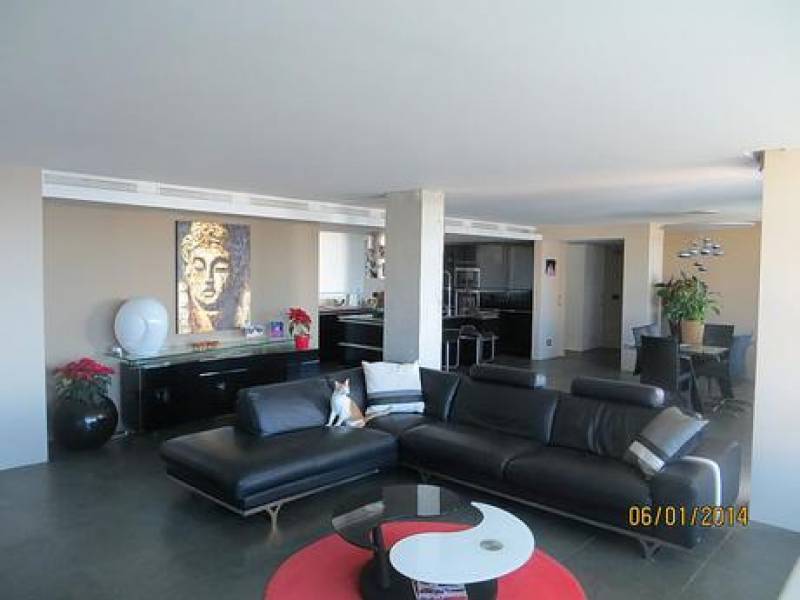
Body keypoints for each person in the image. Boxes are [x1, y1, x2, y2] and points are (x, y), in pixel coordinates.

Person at [177, 221, 250, 333]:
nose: (208, 278)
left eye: (220, 268)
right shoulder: (180, 311)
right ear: (188, 271)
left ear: (233, 273)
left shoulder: (243, 309)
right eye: (199, 267)